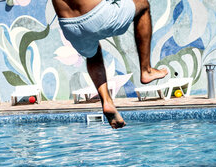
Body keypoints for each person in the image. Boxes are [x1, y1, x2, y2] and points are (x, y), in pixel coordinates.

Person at [52, 0, 169, 129]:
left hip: (69, 25)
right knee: (143, 6)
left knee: (93, 54)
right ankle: (146, 70)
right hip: (97, 16)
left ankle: (106, 101)